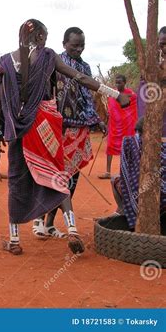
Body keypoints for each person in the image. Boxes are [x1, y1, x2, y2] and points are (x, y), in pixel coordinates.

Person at [0, 19, 130, 255]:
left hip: (17, 127)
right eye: (45, 36)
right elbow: (81, 78)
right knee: (57, 173)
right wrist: (115, 95)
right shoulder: (48, 56)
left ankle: (14, 240)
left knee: (16, 180)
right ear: (39, 37)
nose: (46, 41)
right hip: (45, 123)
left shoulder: (6, 61)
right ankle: (73, 229)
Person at [32, 27, 107, 238]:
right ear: (64, 44)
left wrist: (97, 121)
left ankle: (50, 223)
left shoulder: (85, 67)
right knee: (53, 176)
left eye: (82, 45)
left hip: (79, 129)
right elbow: (44, 92)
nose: (79, 49)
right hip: (57, 128)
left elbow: (87, 97)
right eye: (75, 45)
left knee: (71, 179)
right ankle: (38, 219)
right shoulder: (55, 64)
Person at [111, 118, 166, 228]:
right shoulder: (163, 147)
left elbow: (125, 176)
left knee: (116, 179)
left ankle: (125, 212)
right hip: (163, 199)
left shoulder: (131, 144)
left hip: (143, 199)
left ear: (139, 131)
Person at [98, 74, 137, 179]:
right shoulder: (113, 93)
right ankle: (107, 172)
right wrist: (107, 124)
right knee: (110, 147)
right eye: (116, 82)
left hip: (127, 126)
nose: (117, 84)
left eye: (120, 82)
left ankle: (124, 172)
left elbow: (132, 111)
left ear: (125, 83)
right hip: (114, 126)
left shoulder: (131, 95)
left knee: (125, 148)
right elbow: (111, 111)